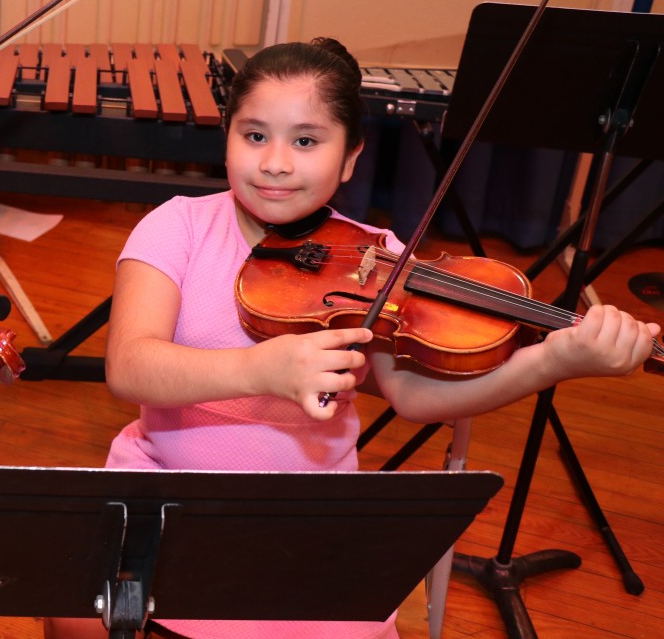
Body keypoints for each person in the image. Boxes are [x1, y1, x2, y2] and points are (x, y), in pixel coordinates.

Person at [44, 38, 659, 639]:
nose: (276, 162)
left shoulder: (379, 258)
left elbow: (413, 396)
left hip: (308, 517)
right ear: (226, 137)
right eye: (254, 135)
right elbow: (129, 366)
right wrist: (262, 370)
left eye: (306, 141)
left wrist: (551, 360)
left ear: (350, 158)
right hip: (167, 497)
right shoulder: (175, 226)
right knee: (73, 611)